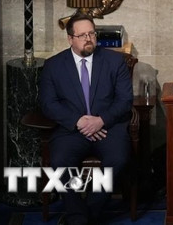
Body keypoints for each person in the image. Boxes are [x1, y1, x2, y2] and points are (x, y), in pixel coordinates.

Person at [39, 12, 134, 225]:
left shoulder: (114, 61)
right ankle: (78, 214)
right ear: (70, 39)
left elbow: (125, 99)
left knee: (118, 159)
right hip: (72, 129)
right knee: (59, 162)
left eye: (91, 33)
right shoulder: (54, 65)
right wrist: (79, 121)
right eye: (82, 35)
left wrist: (100, 120)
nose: (88, 38)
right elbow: (48, 103)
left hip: (108, 127)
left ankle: (86, 212)